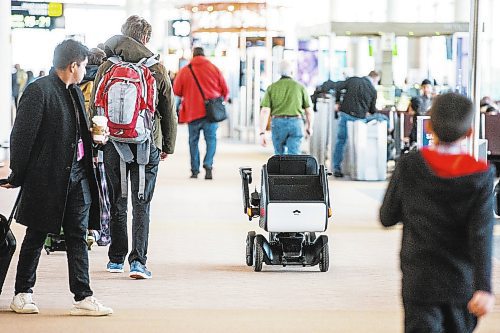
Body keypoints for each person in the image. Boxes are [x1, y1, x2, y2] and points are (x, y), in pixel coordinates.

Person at [0, 39, 112, 316]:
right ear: (73, 65)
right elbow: (22, 137)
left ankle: (83, 296)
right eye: (84, 65)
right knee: (36, 234)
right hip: (45, 178)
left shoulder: (72, 90)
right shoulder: (39, 91)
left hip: (77, 177)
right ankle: (22, 293)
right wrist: (18, 174)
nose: (86, 70)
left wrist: (97, 141)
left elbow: (77, 134)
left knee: (77, 236)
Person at [380, 92, 496, 332]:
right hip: (461, 281)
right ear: (470, 133)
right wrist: (484, 287)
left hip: (419, 278)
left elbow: (387, 217)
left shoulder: (409, 165)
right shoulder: (481, 175)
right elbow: (481, 235)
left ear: (429, 126)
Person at [90, 15, 177, 279]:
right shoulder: (155, 67)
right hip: (146, 142)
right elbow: (168, 110)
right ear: (146, 38)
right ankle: (138, 261)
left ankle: (116, 258)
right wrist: (167, 146)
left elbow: (96, 106)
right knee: (142, 202)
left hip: (113, 144)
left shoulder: (107, 65)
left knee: (118, 199)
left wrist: (98, 142)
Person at [173, 47, 229, 179]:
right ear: (204, 54)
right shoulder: (214, 68)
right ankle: (208, 165)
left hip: (192, 112)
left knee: (193, 141)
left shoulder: (185, 70)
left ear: (193, 55)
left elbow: (176, 90)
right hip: (211, 113)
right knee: (211, 139)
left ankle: (194, 170)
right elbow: (225, 90)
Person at [317, 71, 386, 178]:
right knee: (358, 144)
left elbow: (338, 86)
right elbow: (372, 110)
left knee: (341, 141)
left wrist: (338, 102)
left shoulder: (353, 80)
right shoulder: (373, 90)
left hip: (346, 115)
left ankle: (337, 168)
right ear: (375, 79)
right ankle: (357, 169)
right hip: (360, 119)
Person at [258, 60, 314, 155]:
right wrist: (309, 127)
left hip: (278, 123)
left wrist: (262, 132)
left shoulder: (272, 87)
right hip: (296, 123)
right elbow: (308, 111)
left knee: (279, 156)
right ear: (292, 71)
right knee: (294, 155)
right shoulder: (300, 87)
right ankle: (293, 169)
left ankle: (280, 169)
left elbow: (265, 111)